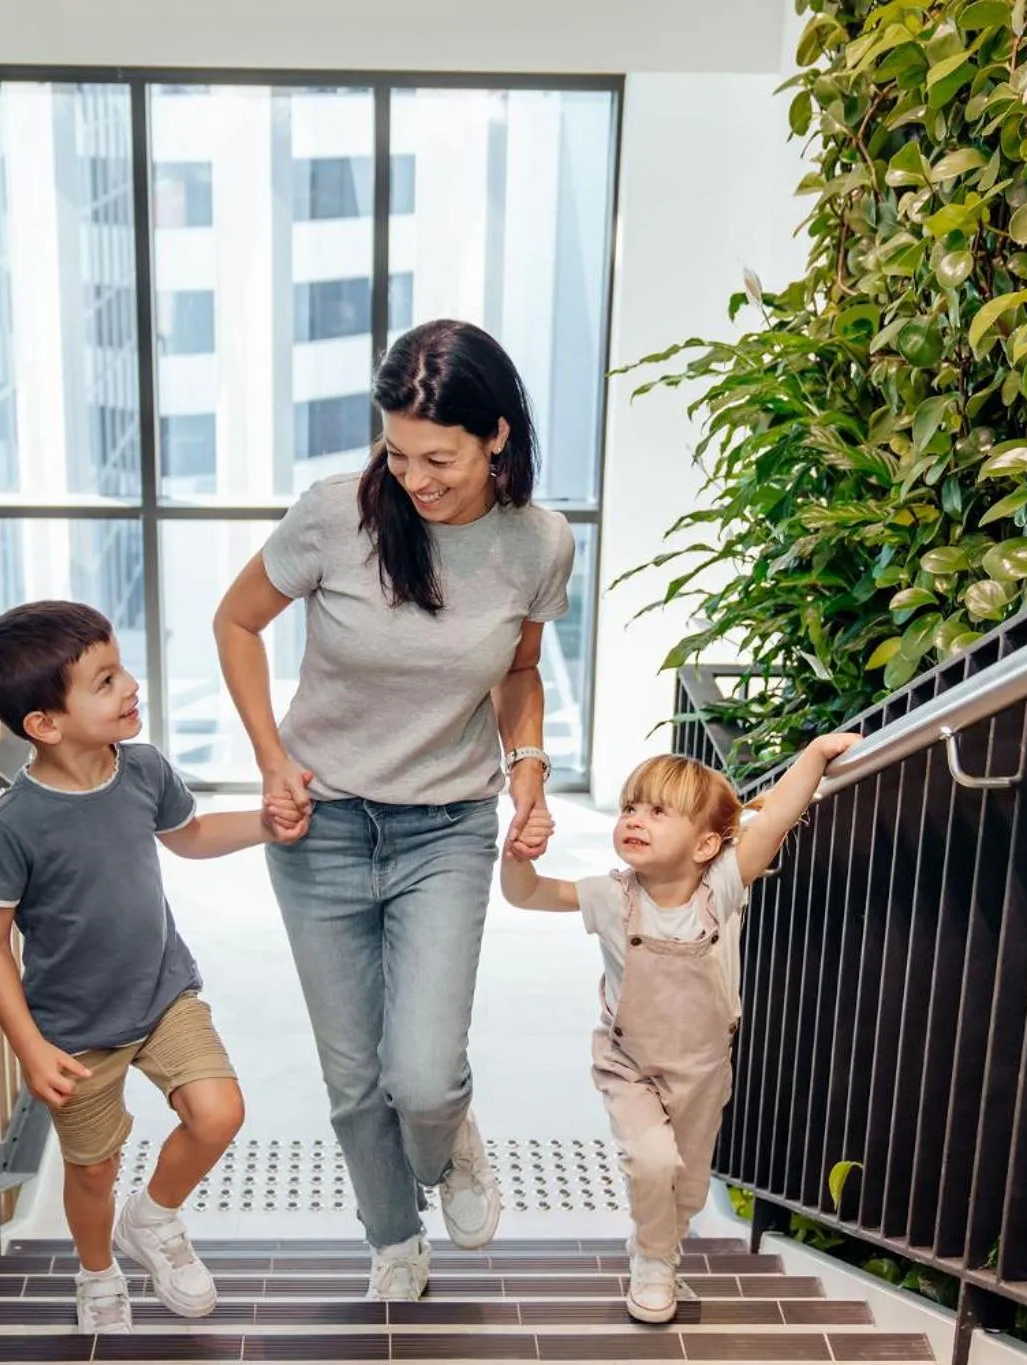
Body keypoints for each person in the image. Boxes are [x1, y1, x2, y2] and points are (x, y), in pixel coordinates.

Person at [212, 319, 576, 1298]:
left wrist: (529, 767)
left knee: (419, 1076)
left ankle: (448, 1139)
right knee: (352, 1078)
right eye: (395, 452)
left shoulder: (538, 543)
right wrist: (270, 759)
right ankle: (390, 1240)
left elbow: (521, 672)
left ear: (496, 436)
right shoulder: (335, 517)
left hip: (445, 829)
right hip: (317, 827)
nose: (413, 478)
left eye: (439, 458)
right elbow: (236, 621)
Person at [0, 601, 306, 1334]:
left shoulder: (144, 768)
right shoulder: (16, 823)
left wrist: (267, 823)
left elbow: (189, 836)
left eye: (121, 669)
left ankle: (151, 1219)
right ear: (45, 724)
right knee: (93, 1167)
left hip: (162, 994)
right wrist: (29, 1045)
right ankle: (95, 1272)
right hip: (76, 1030)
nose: (131, 687)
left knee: (220, 1112)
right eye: (106, 680)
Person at [498, 735, 860, 1323]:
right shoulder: (611, 897)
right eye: (630, 808)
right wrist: (517, 855)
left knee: (688, 1188)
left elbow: (775, 823)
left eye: (658, 812)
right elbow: (529, 895)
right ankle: (651, 1258)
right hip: (630, 1064)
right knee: (652, 1162)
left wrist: (816, 754)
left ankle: (662, 1244)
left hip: (702, 1067)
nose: (635, 820)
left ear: (707, 845)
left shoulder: (722, 888)